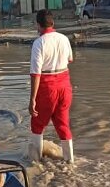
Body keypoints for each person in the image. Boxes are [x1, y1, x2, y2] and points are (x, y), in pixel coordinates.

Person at [28, 9, 75, 163]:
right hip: (65, 85)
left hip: (47, 87)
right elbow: (69, 60)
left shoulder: (39, 43)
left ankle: (35, 162)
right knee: (63, 124)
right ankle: (70, 161)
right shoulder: (64, 39)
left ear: (38, 25)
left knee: (37, 124)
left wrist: (32, 99)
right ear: (52, 23)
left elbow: (36, 74)